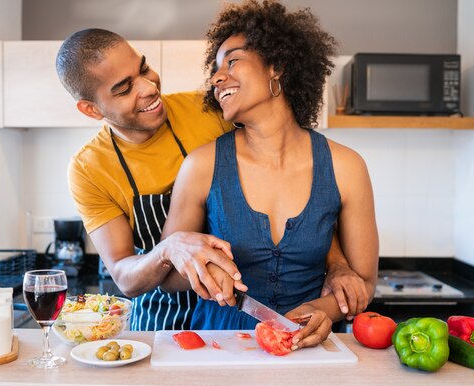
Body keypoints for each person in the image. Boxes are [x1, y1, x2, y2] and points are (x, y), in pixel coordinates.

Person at [161, 0, 379, 349]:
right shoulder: (201, 165)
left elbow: (364, 283)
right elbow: (168, 276)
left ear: (276, 67)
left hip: (309, 350)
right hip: (218, 347)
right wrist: (202, 268)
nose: (217, 79)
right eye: (216, 70)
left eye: (232, 61)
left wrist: (322, 310)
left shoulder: (347, 166)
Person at [56, 28, 241, 331]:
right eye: (124, 89)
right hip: (161, 320)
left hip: (234, 308)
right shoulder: (89, 168)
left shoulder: (210, 111)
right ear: (91, 109)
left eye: (143, 68)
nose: (149, 87)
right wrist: (168, 249)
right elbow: (124, 275)